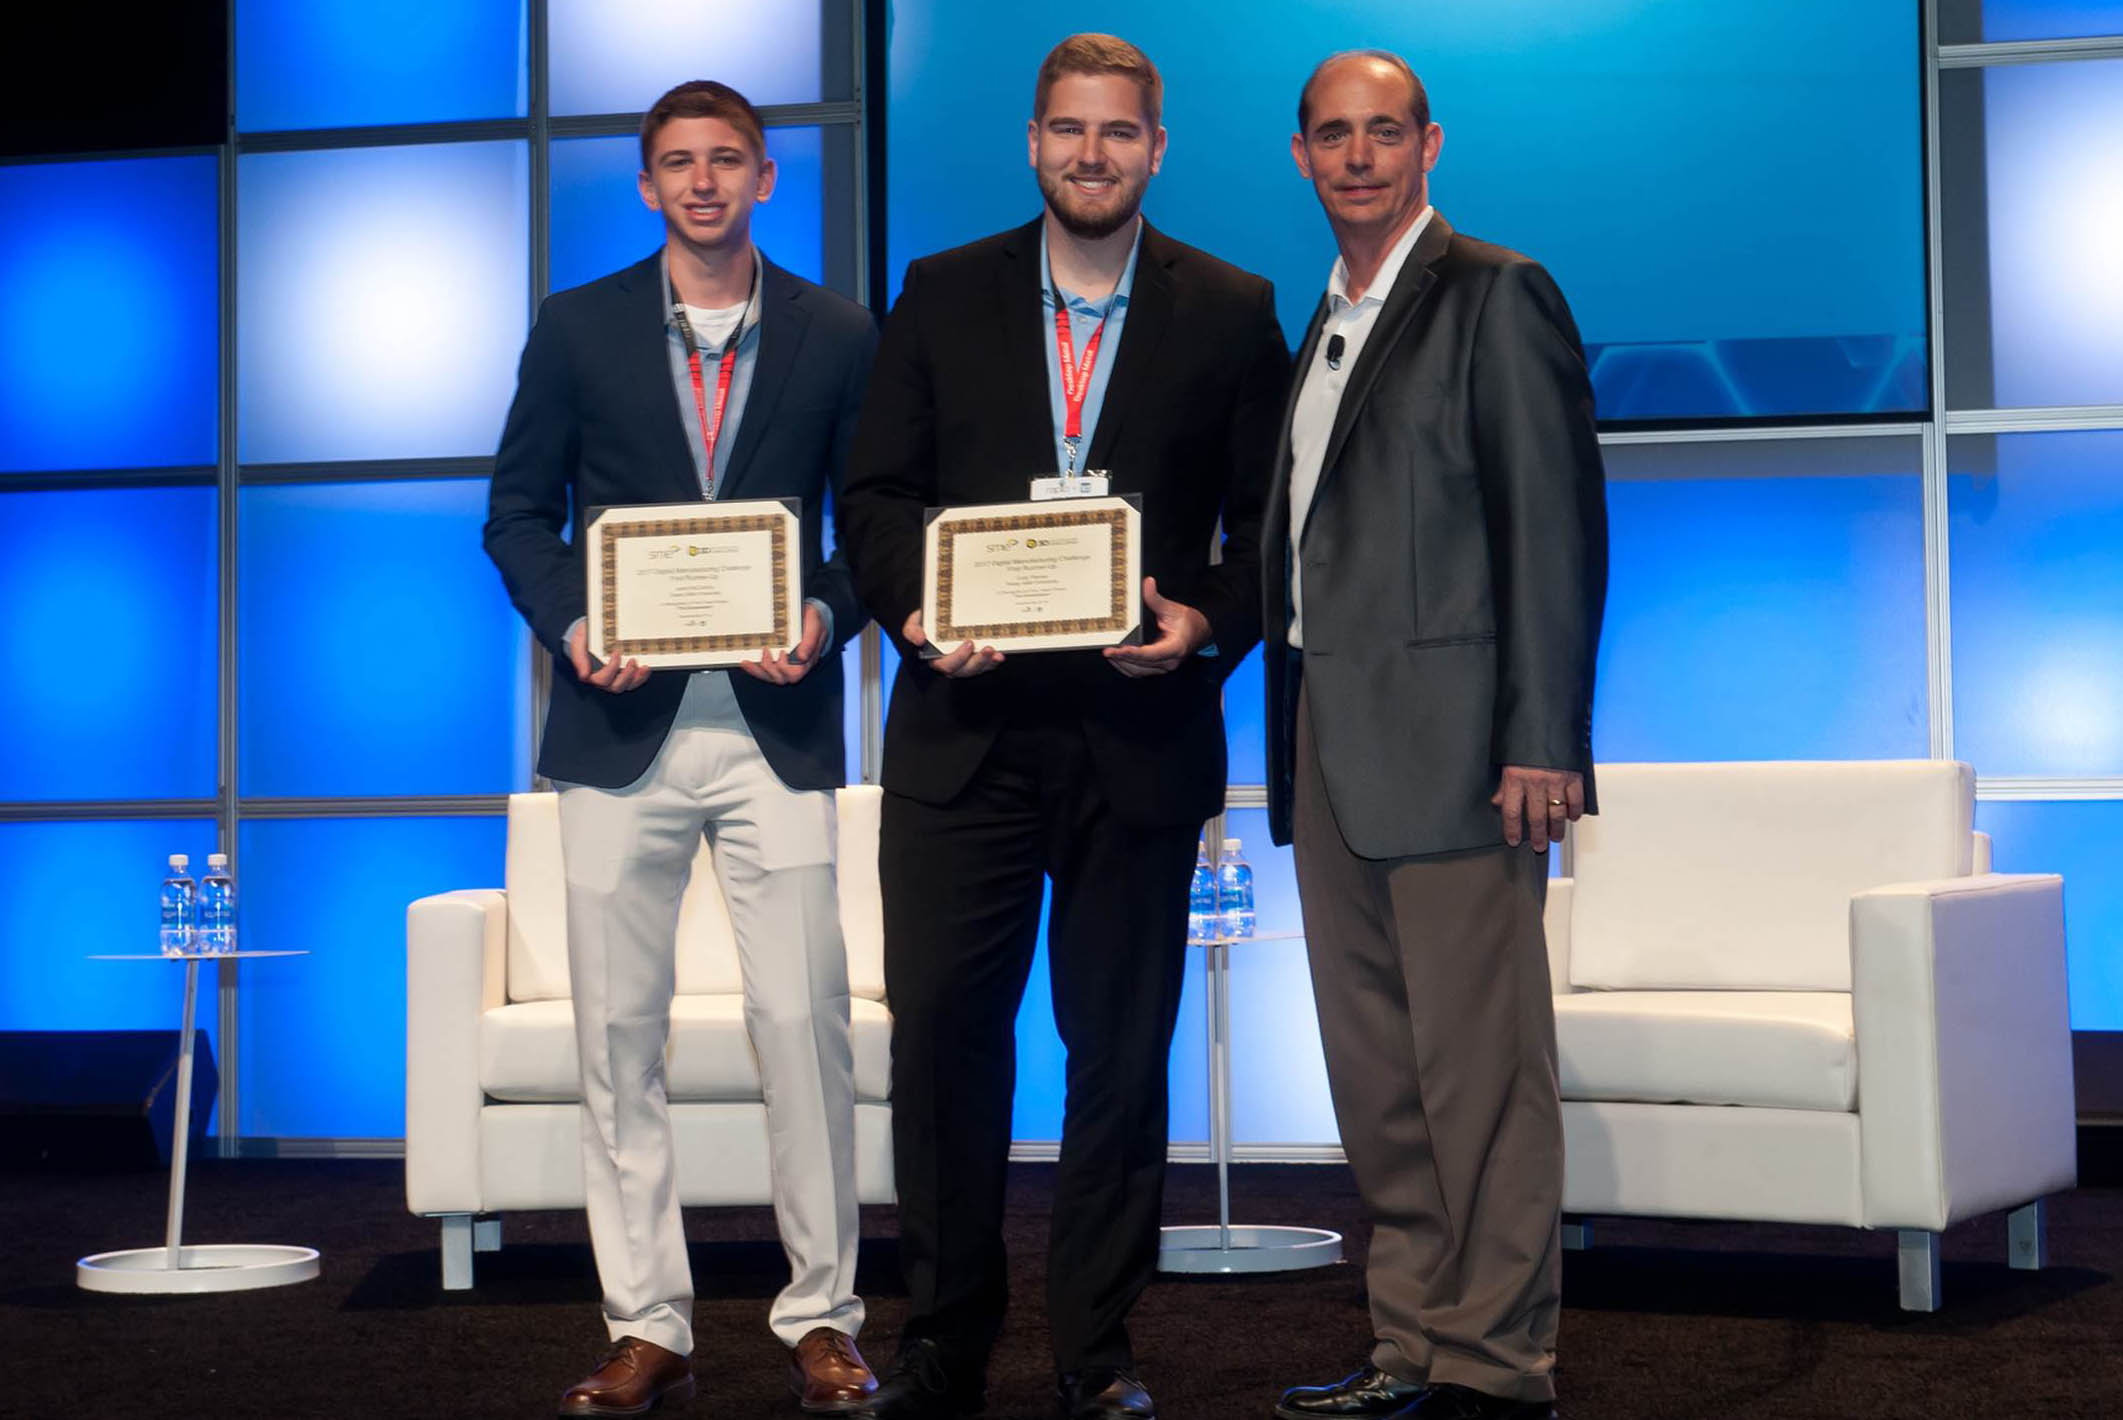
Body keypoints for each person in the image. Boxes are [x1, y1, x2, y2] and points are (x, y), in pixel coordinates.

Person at [836, 33, 1290, 1420]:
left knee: (1118, 1053)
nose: (1092, 154)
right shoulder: (943, 291)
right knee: (944, 1048)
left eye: (1119, 133)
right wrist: (918, 615)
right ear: (1033, 143)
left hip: (1138, 741)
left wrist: (1203, 624)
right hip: (960, 736)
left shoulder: (1230, 306)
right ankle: (942, 1339)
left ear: (1157, 150)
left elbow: (1269, 530)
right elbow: (873, 501)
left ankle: (1097, 1350)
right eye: (1068, 131)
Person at [483, 78, 881, 1419]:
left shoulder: (837, 332)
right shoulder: (577, 327)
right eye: (676, 164)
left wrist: (826, 615)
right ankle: (647, 1325)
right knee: (619, 1042)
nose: (703, 182)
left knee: (803, 1030)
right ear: (647, 186)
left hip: (775, 732)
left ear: (767, 177)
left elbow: (874, 526)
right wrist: (574, 618)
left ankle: (822, 1319)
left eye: (727, 160)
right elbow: (517, 514)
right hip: (617, 733)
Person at [1262, 50, 1607, 1420]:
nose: (1359, 157)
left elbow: (1553, 529)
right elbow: (1309, 543)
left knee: (1484, 1076)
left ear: (1430, 146)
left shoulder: (1495, 294)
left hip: (1467, 754)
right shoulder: (1328, 319)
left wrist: (1545, 739)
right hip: (1329, 750)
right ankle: (1411, 1343)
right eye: (1334, 136)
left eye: (1384, 133)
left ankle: (1496, 1361)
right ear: (1301, 156)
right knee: (1383, 1083)